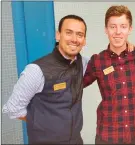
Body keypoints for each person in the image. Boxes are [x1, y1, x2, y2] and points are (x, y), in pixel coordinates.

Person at [2, 14, 88, 144]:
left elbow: (109, 61)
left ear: (84, 40)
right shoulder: (36, 70)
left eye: (80, 34)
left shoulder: (83, 64)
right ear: (58, 35)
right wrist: (45, 123)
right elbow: (13, 108)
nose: (74, 39)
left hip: (75, 141)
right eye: (69, 33)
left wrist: (126, 45)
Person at [83, 5, 135, 144]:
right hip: (108, 135)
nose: (118, 32)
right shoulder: (98, 60)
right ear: (106, 30)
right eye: (112, 27)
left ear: (130, 29)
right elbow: (76, 85)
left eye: (123, 26)